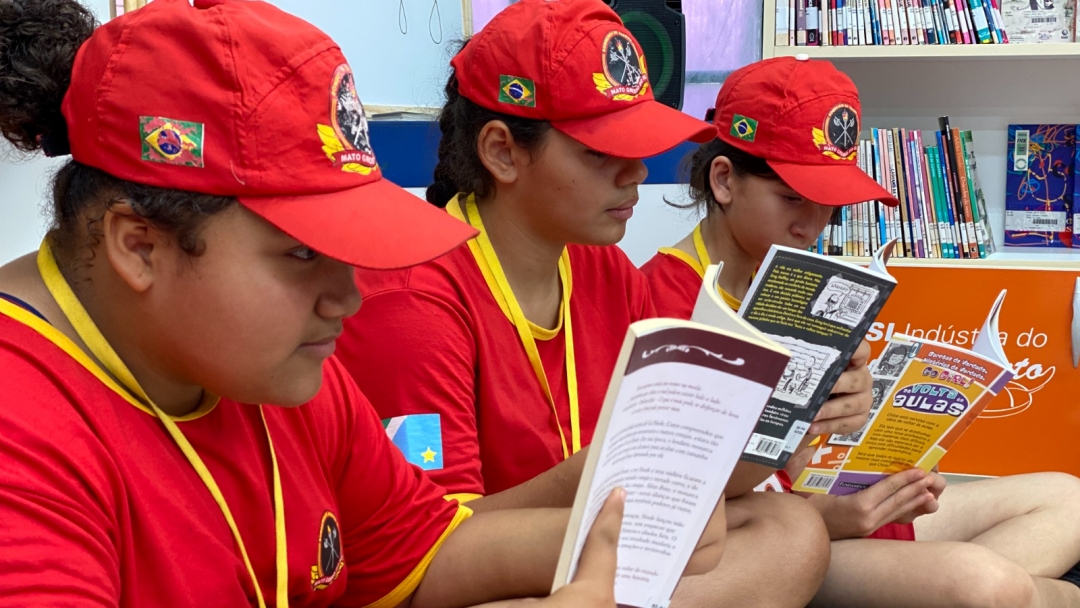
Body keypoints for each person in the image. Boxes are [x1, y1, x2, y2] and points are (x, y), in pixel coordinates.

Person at [0, 0, 729, 605]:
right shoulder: (23, 420)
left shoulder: (277, 371)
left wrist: (644, 527)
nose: (348, 298)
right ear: (139, 245)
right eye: (302, 253)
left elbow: (429, 553)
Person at [337, 2, 834, 607]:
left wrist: (792, 410)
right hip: (487, 582)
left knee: (790, 531)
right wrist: (594, 478)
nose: (637, 172)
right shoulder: (412, 300)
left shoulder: (607, 270)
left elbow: (693, 486)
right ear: (502, 151)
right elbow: (429, 552)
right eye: (602, 152)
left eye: (641, 144)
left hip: (594, 552)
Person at [642, 54, 1080, 608]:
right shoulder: (657, 302)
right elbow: (670, 499)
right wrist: (827, 515)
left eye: (830, 205)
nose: (812, 224)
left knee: (1070, 499)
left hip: (839, 509)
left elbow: (822, 443)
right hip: (769, 541)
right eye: (792, 198)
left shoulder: (799, 284)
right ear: (724, 180)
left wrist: (873, 439)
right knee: (990, 585)